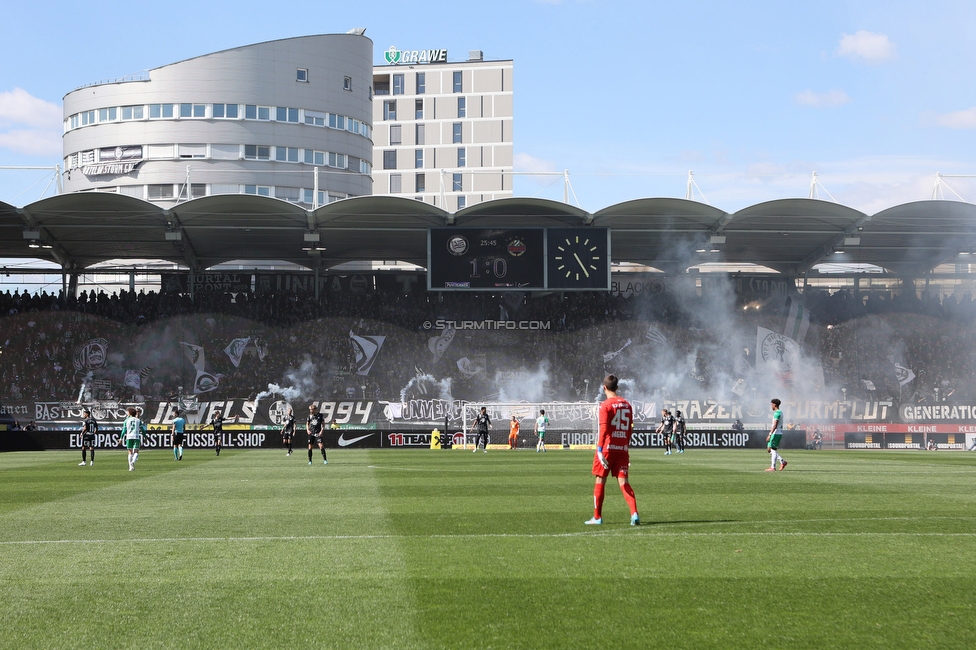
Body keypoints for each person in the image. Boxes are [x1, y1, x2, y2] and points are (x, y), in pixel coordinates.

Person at [585, 374, 640, 526]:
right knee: (624, 482)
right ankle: (634, 514)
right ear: (617, 387)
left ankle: (597, 517)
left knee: (600, 480)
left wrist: (600, 450)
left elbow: (603, 429)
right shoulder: (627, 405)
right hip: (622, 448)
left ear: (604, 388)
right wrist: (626, 448)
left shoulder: (605, 405)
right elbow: (629, 429)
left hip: (608, 448)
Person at [766, 398, 787, 471]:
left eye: (771, 404)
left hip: (776, 433)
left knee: (773, 449)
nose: (771, 406)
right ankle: (782, 461)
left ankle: (773, 467)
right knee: (769, 449)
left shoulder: (777, 413)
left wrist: (770, 434)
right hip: (776, 432)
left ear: (774, 405)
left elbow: (775, 425)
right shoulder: (779, 412)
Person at [119, 406, 143, 471]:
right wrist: (145, 437)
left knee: (130, 452)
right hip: (136, 437)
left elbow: (124, 430)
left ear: (130, 413)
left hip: (129, 437)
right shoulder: (138, 420)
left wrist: (121, 438)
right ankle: (133, 462)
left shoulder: (126, 420)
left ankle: (130, 467)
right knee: (136, 451)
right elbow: (142, 430)